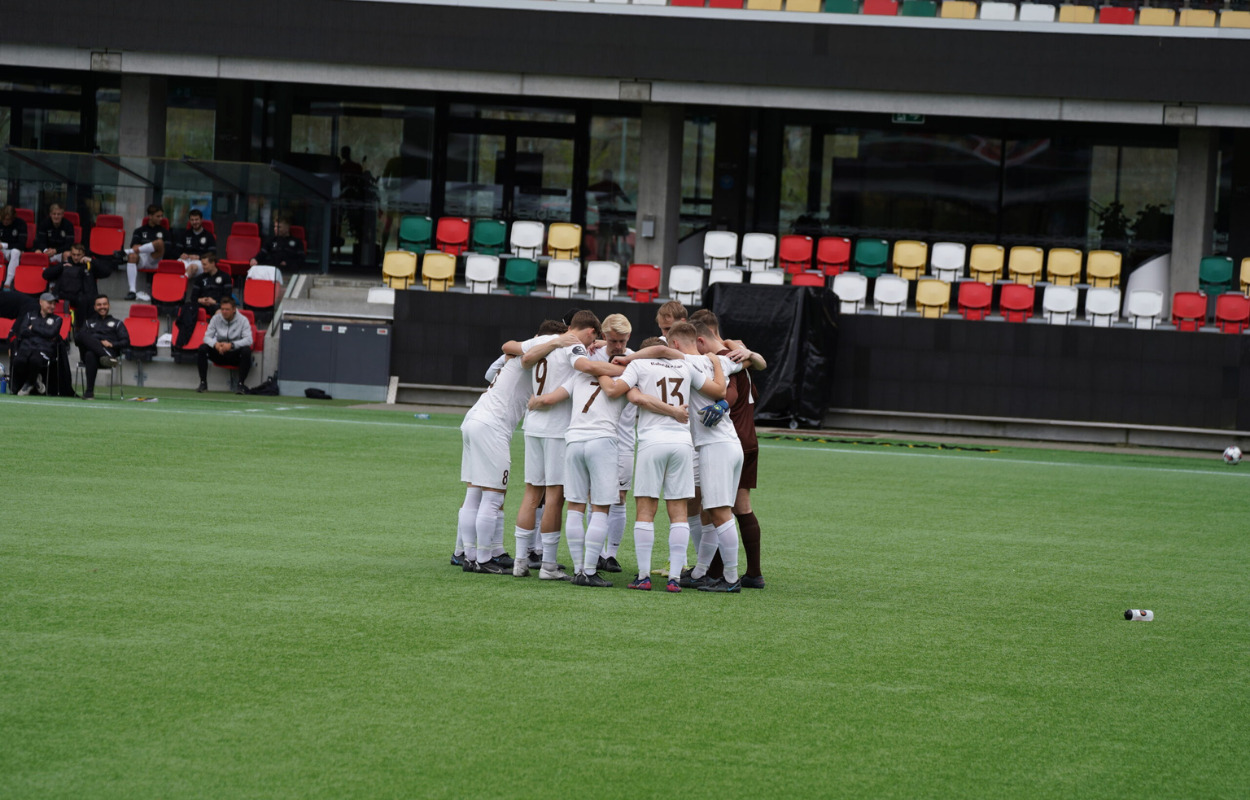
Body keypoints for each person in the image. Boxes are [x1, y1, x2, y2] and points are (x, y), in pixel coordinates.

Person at [601, 323, 725, 592]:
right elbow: (718, 392)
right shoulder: (686, 366)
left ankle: (644, 576)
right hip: (682, 443)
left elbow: (619, 391)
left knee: (646, 509)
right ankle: (675, 579)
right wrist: (716, 362)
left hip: (651, 442)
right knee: (678, 511)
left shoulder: (638, 366)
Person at [453, 322, 564, 574]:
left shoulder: (518, 353)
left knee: (474, 494)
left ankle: (470, 555)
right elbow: (522, 356)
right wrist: (556, 342)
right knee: (493, 497)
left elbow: (493, 371)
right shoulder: (537, 354)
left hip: (475, 418)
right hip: (493, 426)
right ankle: (482, 559)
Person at [512, 310, 603, 581]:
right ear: (589, 331)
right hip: (556, 429)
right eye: (593, 338)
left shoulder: (548, 340)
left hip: (533, 426)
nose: (591, 345)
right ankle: (548, 566)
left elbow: (525, 359)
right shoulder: (574, 345)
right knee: (554, 497)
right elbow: (584, 366)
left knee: (531, 493)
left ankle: (520, 561)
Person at [690, 308, 769, 589]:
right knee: (739, 506)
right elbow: (756, 380)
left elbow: (730, 393)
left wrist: (722, 404)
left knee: (717, 508)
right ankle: (751, 573)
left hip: (728, 441)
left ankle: (719, 573)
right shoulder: (739, 354)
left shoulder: (724, 360)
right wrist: (751, 354)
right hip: (748, 440)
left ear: (701, 338)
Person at [9, 293, 66, 396]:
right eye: (49, 303)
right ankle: (35, 379)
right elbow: (22, 331)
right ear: (41, 302)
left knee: (35, 359)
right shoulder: (29, 315)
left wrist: (33, 328)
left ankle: (29, 383)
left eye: (54, 304)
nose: (52, 306)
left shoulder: (57, 319)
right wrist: (42, 332)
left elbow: (51, 333)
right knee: (18, 361)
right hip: (26, 347)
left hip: (44, 349)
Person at [43, 242, 112, 327]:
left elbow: (107, 272)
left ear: (83, 254)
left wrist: (92, 261)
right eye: (73, 254)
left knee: (88, 301)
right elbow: (45, 275)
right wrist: (61, 266)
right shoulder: (65, 264)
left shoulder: (89, 265)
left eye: (78, 255)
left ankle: (83, 330)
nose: (75, 257)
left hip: (84, 297)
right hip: (65, 295)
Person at [75, 294, 129, 400]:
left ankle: (89, 393)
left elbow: (126, 341)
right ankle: (105, 355)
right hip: (99, 355)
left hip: (103, 354)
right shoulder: (88, 322)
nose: (102, 307)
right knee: (81, 336)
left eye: (104, 304)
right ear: (95, 307)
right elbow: (78, 340)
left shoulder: (117, 323)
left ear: (108, 305)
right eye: (99, 305)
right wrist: (97, 341)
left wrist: (112, 344)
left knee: (90, 354)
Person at [174, 253, 233, 348]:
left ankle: (217, 341)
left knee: (221, 311)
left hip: (217, 305)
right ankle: (184, 338)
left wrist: (215, 302)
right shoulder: (200, 278)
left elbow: (228, 297)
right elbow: (193, 297)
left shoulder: (225, 277)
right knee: (188, 307)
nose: (203, 267)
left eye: (205, 264)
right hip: (202, 305)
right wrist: (200, 300)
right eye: (202, 264)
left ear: (213, 263)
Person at [196, 297, 252, 394]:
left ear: (234, 309)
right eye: (222, 309)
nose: (224, 312)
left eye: (227, 309)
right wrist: (216, 345)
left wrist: (231, 345)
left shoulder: (243, 320)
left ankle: (241, 385)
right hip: (219, 352)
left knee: (246, 351)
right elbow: (206, 337)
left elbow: (249, 340)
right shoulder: (216, 318)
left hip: (235, 354)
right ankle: (203, 383)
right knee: (202, 348)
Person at [122, 205, 167, 300]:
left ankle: (125, 252)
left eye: (161, 216)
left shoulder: (165, 231)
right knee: (132, 256)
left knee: (159, 242)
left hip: (156, 259)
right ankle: (132, 291)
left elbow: (166, 249)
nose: (161, 219)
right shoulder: (139, 231)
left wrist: (148, 247)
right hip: (142, 259)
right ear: (150, 216)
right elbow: (134, 247)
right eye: (158, 216)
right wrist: (150, 247)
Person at [173, 209, 216, 277]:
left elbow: (213, 253)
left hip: (200, 261)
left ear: (202, 220)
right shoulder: (184, 234)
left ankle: (183, 280)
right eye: (192, 220)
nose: (194, 222)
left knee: (192, 267)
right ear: (189, 221)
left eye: (196, 219)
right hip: (185, 260)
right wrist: (180, 255)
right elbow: (175, 251)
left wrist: (199, 256)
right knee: (175, 267)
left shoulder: (209, 236)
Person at [0, 205, 27, 287]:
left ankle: (8, 283)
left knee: (15, 252)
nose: (5, 221)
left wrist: (4, 245)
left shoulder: (21, 224)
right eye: (3, 219)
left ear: (13, 218)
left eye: (7, 219)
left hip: (14, 250)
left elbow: (22, 244)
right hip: (2, 250)